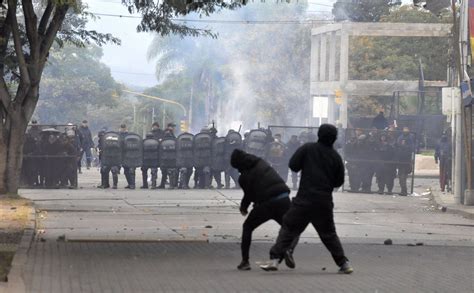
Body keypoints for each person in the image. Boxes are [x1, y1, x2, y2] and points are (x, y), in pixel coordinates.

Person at [259, 124, 353, 274]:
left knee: (289, 228)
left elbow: (293, 165)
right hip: (323, 202)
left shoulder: (308, 148)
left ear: (319, 135)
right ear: (334, 138)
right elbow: (338, 181)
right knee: (329, 234)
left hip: (304, 199)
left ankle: (275, 260)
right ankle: (344, 263)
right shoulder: (335, 157)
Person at [230, 149, 298, 271]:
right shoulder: (262, 162)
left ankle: (245, 262)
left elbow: (249, 195)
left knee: (248, 227)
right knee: (292, 228)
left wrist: (243, 208)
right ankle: (289, 249)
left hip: (265, 204)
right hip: (283, 198)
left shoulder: (243, 177)